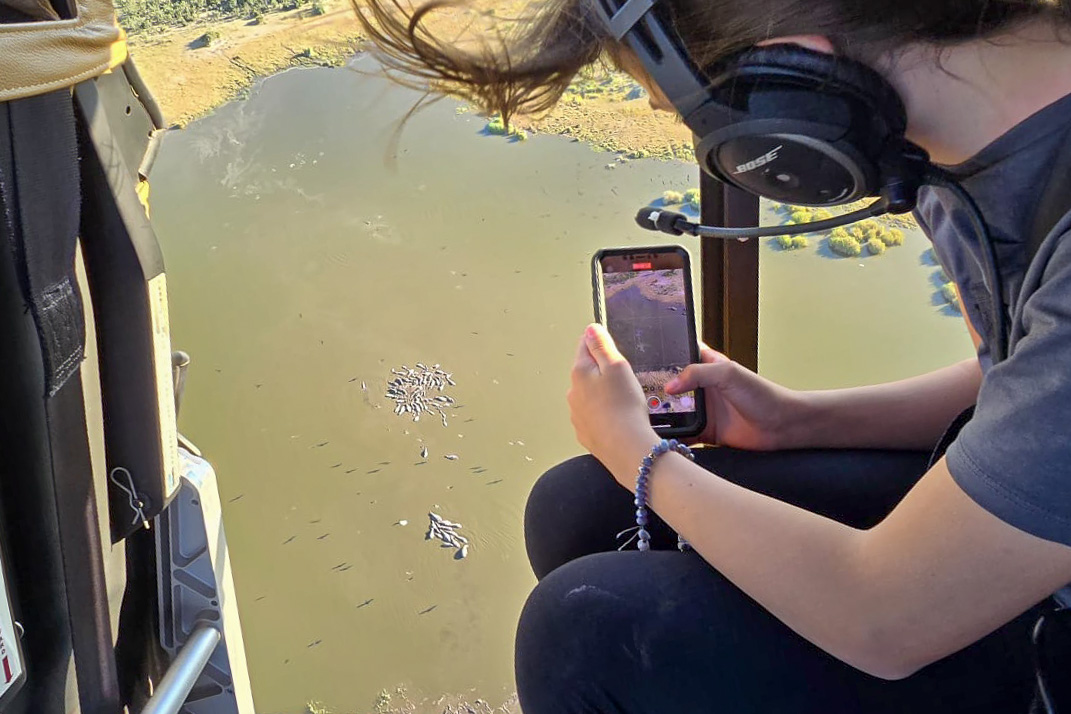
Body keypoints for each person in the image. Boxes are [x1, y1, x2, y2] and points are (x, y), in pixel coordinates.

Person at [355, 0, 1071, 711]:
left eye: (695, 121)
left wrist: (642, 454)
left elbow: (885, 617)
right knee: (578, 505)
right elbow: (1016, 381)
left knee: (581, 630)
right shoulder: (951, 149)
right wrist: (795, 421)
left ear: (800, 71)